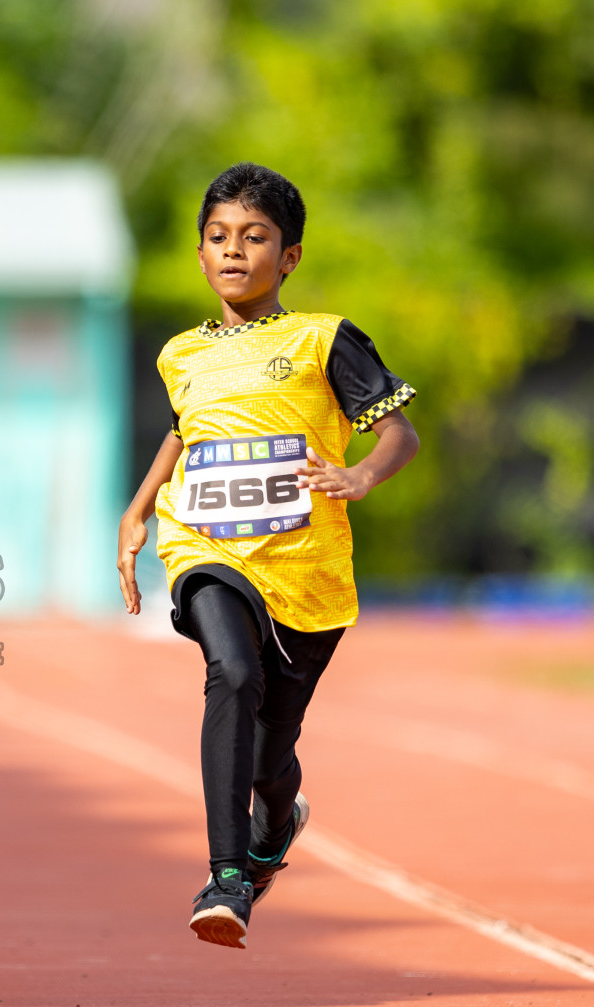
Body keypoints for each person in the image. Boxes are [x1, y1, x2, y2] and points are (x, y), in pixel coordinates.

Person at [116, 163, 419, 949]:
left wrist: (358, 473)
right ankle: (227, 880)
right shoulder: (181, 353)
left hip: (305, 569)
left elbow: (399, 431)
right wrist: (142, 505)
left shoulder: (324, 339)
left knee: (269, 753)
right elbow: (189, 429)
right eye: (218, 237)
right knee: (233, 674)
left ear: (288, 257)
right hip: (207, 547)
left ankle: (275, 823)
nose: (233, 251)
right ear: (200, 252)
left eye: (254, 238)